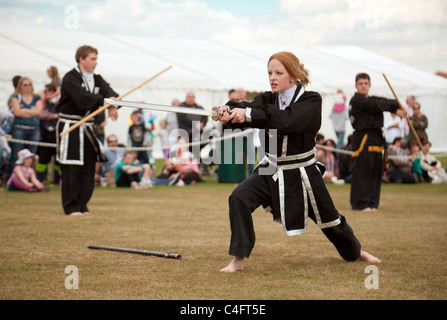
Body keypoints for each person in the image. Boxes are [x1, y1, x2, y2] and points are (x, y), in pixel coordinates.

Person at [218, 52, 381, 273]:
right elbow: (250, 107)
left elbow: (287, 121)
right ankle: (238, 258)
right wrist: (228, 112)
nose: (272, 77)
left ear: (293, 76)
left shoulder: (312, 100)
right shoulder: (267, 99)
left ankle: (356, 252)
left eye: (278, 73)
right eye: (269, 73)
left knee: (331, 221)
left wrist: (248, 113)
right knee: (239, 197)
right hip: (271, 167)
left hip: (302, 173)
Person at [56, 45, 119, 216]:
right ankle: (71, 206)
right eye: (92, 59)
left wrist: (113, 104)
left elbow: (111, 94)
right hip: (71, 126)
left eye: (96, 59)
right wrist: (105, 102)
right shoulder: (71, 78)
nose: (95, 63)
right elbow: (81, 98)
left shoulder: (97, 79)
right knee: (72, 166)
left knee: (88, 167)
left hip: (87, 128)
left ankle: (83, 204)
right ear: (81, 59)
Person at [349, 73, 406, 212]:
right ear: (356, 85)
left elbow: (383, 101)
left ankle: (372, 202)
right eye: (360, 83)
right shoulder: (356, 100)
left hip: (376, 136)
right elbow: (375, 105)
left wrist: (397, 106)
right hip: (363, 137)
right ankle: (360, 203)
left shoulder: (374, 99)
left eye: (366, 83)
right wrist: (394, 107)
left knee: (375, 171)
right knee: (363, 170)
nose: (363, 86)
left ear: (369, 85)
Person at [6, 76, 44, 182]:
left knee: (31, 157)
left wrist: (24, 110)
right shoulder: (15, 97)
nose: (28, 87)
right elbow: (17, 112)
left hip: (34, 130)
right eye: (25, 85)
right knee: (16, 155)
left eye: (30, 84)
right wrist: (32, 112)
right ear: (20, 86)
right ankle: (11, 179)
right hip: (19, 129)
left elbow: (39, 112)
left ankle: (30, 180)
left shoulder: (37, 97)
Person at [36, 83, 60, 183]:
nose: (44, 93)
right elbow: (39, 113)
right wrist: (44, 115)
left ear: (52, 92)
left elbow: (63, 114)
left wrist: (53, 116)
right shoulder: (43, 101)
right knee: (43, 158)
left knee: (58, 158)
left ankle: (57, 179)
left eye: (46, 91)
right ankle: (40, 178)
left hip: (56, 134)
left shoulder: (60, 102)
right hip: (45, 133)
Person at [177, 91, 208, 160]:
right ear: (186, 98)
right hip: (185, 135)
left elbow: (205, 117)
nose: (191, 99)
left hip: (198, 135)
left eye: (192, 97)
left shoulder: (200, 108)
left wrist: (202, 124)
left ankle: (197, 164)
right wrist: (195, 124)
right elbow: (183, 118)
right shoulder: (181, 107)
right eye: (189, 97)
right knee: (184, 151)